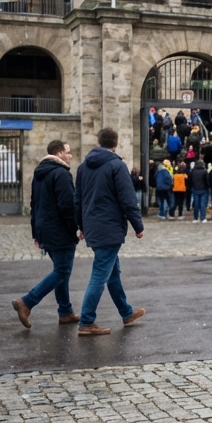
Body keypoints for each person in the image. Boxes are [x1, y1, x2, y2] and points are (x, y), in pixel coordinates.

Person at [74, 128, 145, 335]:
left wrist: (81, 226)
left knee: (112, 272)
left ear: (98, 141)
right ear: (116, 144)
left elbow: (77, 200)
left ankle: (126, 312)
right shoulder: (117, 165)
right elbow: (128, 199)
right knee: (99, 274)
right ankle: (86, 321)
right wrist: (138, 226)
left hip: (93, 225)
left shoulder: (83, 167)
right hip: (110, 227)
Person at [13, 140, 79, 327]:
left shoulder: (39, 174)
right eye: (68, 152)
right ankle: (27, 302)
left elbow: (35, 205)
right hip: (59, 230)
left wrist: (36, 231)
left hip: (45, 229)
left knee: (61, 271)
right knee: (62, 271)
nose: (70, 155)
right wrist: (76, 228)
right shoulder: (61, 173)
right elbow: (67, 206)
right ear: (58, 154)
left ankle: (65, 311)